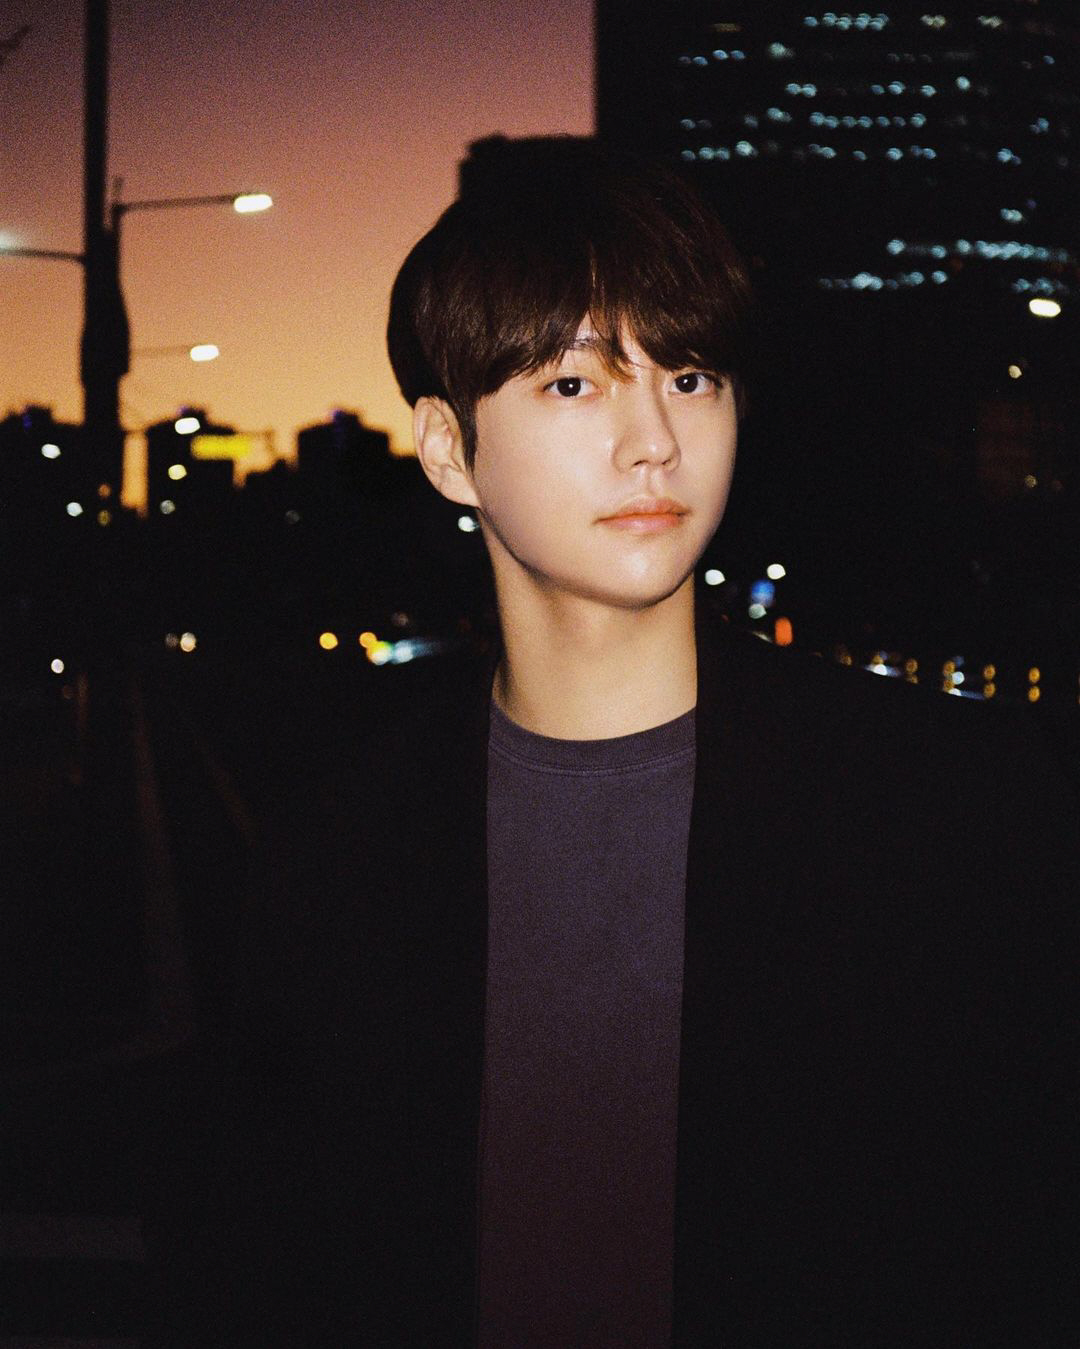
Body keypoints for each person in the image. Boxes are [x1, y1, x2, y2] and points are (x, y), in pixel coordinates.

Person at [157, 137, 1079, 1347]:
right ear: (448, 451)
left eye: (690, 375)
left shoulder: (955, 803)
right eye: (574, 385)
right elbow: (275, 1251)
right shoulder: (337, 845)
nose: (656, 439)